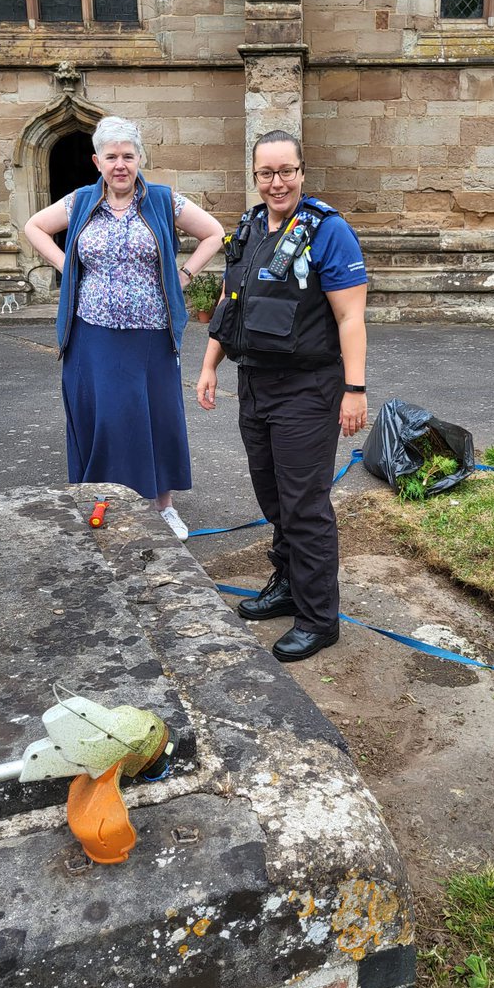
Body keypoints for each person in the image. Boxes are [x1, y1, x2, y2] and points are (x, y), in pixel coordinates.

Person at [196, 130, 368, 662]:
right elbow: (231, 302)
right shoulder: (247, 229)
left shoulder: (328, 231)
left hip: (309, 387)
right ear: (255, 176)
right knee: (273, 497)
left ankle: (319, 618)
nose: (277, 182)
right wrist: (209, 365)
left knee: (304, 504)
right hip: (255, 383)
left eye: (286, 171)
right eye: (266, 173)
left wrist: (355, 389)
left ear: (301, 170)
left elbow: (350, 316)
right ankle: (289, 584)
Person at [23, 116, 224, 540]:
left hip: (150, 332)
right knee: (104, 417)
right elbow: (34, 227)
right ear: (97, 161)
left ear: (139, 159)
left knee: (156, 415)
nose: (120, 164)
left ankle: (163, 505)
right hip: (91, 333)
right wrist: (67, 269)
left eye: (128, 156)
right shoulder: (79, 202)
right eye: (111, 156)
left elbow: (215, 234)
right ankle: (102, 498)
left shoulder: (164, 201)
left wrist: (182, 275)